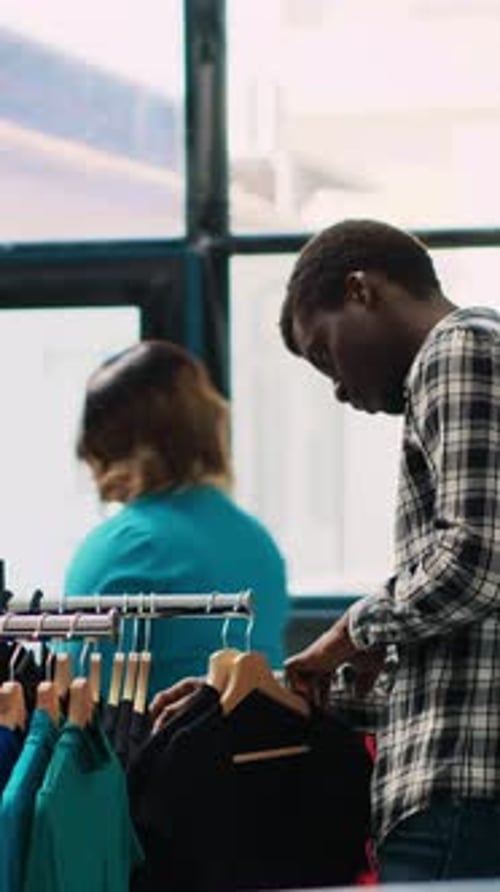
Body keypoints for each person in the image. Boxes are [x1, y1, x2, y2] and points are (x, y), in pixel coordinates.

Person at [279, 219, 500, 883]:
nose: (340, 389)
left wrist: (351, 630)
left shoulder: (456, 350)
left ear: (362, 290)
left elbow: (477, 563)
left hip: (464, 800)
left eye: (324, 355)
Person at [64, 339, 289, 697]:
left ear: (101, 446)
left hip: (154, 750)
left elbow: (75, 708)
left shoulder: (122, 547)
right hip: (256, 749)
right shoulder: (257, 541)